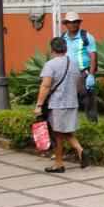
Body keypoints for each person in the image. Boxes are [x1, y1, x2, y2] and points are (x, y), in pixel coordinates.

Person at [34, 36, 89, 173]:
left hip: (57, 104)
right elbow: (77, 84)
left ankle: (59, 163)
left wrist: (39, 105)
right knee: (65, 131)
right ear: (65, 49)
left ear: (51, 49)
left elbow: (46, 85)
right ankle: (80, 150)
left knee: (56, 134)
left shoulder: (50, 65)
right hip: (72, 102)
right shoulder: (73, 63)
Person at [61, 12, 99, 122]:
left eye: (75, 22)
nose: (73, 25)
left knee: (88, 100)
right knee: (68, 100)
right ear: (66, 24)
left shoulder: (86, 37)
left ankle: (93, 126)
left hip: (83, 72)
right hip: (67, 73)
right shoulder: (62, 37)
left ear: (79, 23)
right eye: (70, 22)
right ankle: (68, 126)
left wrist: (91, 75)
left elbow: (93, 56)